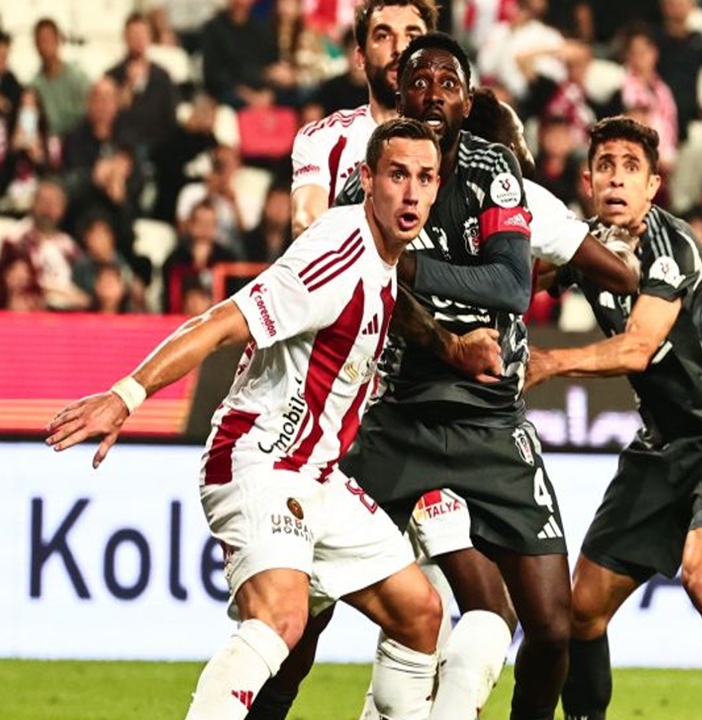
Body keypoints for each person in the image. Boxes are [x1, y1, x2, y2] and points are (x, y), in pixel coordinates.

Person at [253, 33, 639, 720]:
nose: (433, 93)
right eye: (419, 81)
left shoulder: (494, 170)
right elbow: (367, 288)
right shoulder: (368, 179)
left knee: (552, 627)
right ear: (399, 95)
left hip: (492, 420)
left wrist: (404, 263)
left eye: (448, 83)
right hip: (398, 414)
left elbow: (510, 285)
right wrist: (436, 321)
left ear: (466, 101)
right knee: (307, 603)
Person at [45, 117, 447, 720]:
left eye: (425, 178)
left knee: (420, 614)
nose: (411, 193)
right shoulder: (335, 254)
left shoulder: (384, 258)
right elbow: (221, 323)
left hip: (318, 476)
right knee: (281, 618)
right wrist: (127, 394)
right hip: (257, 459)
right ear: (366, 178)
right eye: (396, 175)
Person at [522, 116, 702, 720]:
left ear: (653, 185)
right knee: (582, 609)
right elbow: (520, 280)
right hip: (663, 443)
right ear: (588, 181)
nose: (617, 178)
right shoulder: (585, 244)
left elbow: (638, 348)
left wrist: (549, 362)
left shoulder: (673, 248)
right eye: (605, 166)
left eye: (631, 168)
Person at [289, 0, 436, 237]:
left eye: (412, 36)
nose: (399, 48)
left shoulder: (461, 145)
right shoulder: (323, 138)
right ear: (360, 57)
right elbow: (306, 229)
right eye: (383, 36)